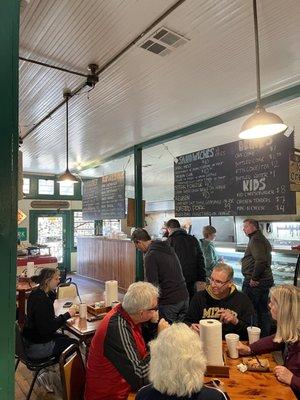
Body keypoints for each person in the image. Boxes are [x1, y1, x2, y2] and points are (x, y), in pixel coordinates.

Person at [85, 282, 169, 400]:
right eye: (154, 308)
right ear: (141, 313)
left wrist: (153, 325)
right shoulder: (117, 327)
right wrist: (161, 340)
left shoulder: (129, 314)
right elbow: (140, 377)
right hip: (110, 395)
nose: (157, 310)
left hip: (126, 388)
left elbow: (144, 350)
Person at [238, 285, 300, 399]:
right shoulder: (292, 330)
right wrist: (250, 349)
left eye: (273, 303)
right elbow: (275, 340)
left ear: (284, 308)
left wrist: (292, 379)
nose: (269, 306)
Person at [136, 323, 226, 400]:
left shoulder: (143, 395)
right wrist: (221, 392)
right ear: (198, 359)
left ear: (156, 359)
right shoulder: (216, 397)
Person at [22, 268, 77, 391]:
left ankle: (51, 373)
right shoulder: (42, 300)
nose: (59, 281)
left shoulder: (36, 293)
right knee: (74, 344)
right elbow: (47, 329)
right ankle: (67, 383)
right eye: (56, 279)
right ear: (47, 281)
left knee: (66, 339)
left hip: (31, 341)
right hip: (38, 347)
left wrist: (51, 291)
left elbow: (46, 321)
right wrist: (67, 315)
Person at [131, 228, 189, 322]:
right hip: (184, 297)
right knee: (181, 333)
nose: (139, 250)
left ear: (139, 242)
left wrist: (151, 308)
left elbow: (153, 285)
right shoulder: (167, 248)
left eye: (137, 247)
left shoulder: (151, 255)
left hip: (169, 302)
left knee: (167, 335)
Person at [184, 263, 254, 340]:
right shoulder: (200, 297)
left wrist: (236, 321)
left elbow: (252, 331)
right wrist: (191, 326)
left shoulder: (242, 300)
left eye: (218, 282)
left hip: (231, 343)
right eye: (212, 279)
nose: (213, 285)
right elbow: (187, 322)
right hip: (204, 342)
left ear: (230, 283)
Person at [241, 218, 273, 337]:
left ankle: (254, 338)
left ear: (252, 227)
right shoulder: (259, 238)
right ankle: (264, 337)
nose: (243, 229)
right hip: (264, 281)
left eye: (245, 227)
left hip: (256, 283)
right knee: (263, 310)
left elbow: (261, 260)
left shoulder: (256, 240)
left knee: (251, 310)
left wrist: (254, 278)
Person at [166, 219, 206, 301]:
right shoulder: (193, 239)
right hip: (192, 279)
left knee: (179, 304)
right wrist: (202, 278)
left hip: (176, 281)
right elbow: (200, 259)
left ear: (168, 229)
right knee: (192, 302)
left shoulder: (169, 242)